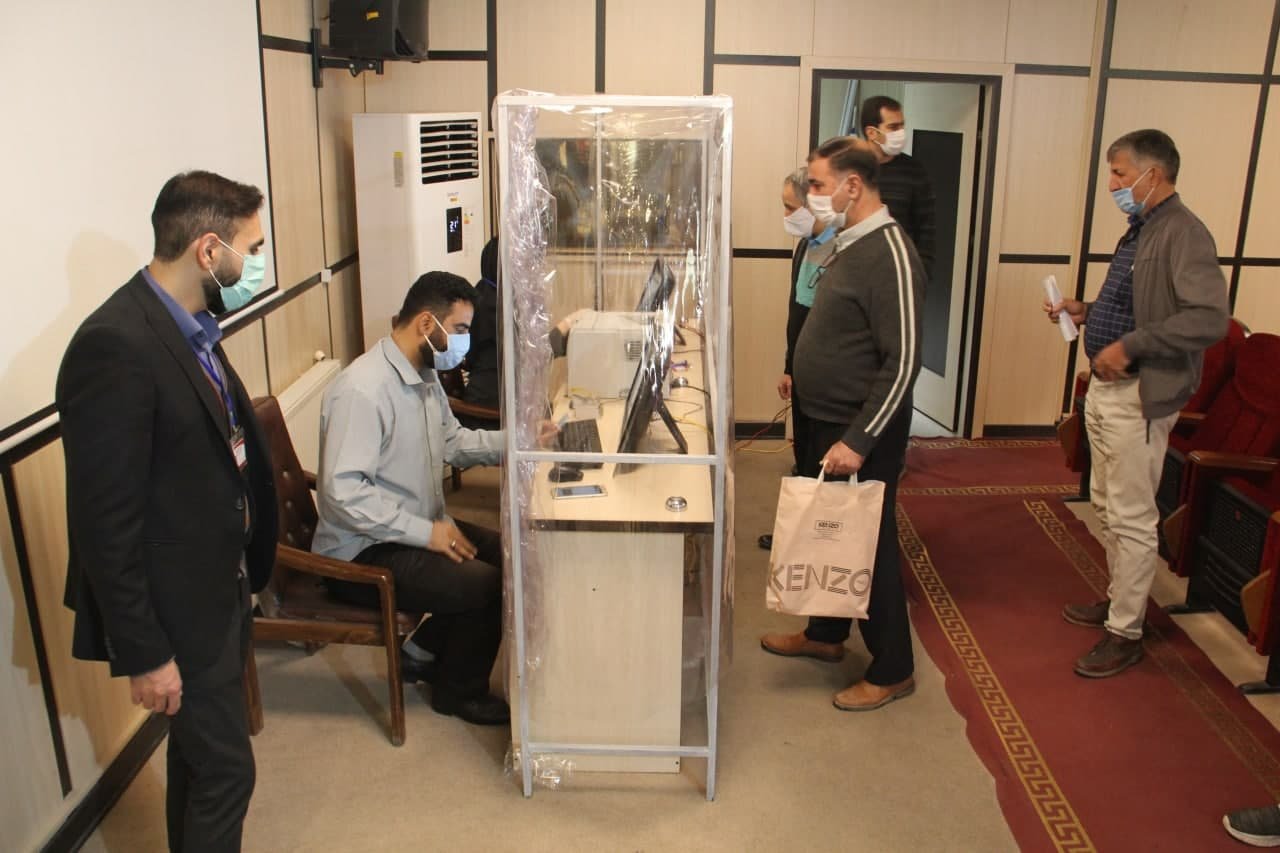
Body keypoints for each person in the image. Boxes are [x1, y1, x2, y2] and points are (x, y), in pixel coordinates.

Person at [57, 171, 278, 853]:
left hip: (217, 591)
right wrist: (146, 653)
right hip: (175, 614)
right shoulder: (115, 345)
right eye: (252, 248)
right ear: (209, 250)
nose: (258, 264)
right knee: (228, 773)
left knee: (198, 762)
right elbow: (105, 524)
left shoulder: (193, 327)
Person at [1047, 129, 1229, 678]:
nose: (1113, 185)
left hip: (1142, 393)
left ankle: (1125, 631)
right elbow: (1137, 304)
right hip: (1109, 389)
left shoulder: (1184, 232)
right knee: (1106, 504)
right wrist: (1087, 311)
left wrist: (1131, 346)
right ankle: (1119, 601)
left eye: (1120, 174)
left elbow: (1208, 319)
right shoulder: (1142, 228)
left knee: (1131, 517)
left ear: (1154, 173)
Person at [760, 137, 924, 711]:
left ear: (853, 185)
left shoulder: (891, 251)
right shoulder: (847, 242)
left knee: (868, 545)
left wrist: (859, 439)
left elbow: (904, 359)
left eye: (818, 185)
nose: (810, 195)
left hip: (858, 429)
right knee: (826, 533)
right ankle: (826, 635)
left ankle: (894, 668)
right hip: (822, 416)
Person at [312, 271, 510, 725]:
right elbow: (344, 494)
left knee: (509, 556)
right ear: (426, 323)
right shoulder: (362, 390)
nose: (464, 343)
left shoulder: (423, 374)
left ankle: (421, 651)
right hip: (362, 551)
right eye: (460, 329)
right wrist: (425, 533)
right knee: (483, 583)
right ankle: (458, 692)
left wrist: (518, 442)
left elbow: (453, 441)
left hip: (411, 526)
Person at [758, 166, 839, 552]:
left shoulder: (842, 249)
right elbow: (798, 313)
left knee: (821, 461)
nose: (786, 215)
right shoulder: (806, 246)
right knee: (803, 453)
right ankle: (798, 536)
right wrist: (789, 367)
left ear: (814, 204)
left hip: (829, 380)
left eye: (791, 207)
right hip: (803, 371)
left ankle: (815, 540)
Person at [856, 95, 936, 283]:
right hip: (856, 272)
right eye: (893, 127)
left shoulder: (915, 170)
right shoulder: (851, 168)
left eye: (902, 126)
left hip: (900, 274)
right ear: (871, 132)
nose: (901, 133)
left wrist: (921, 274)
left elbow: (927, 229)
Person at [459, 236, 501, 418]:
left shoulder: (480, 292)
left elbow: (470, 356)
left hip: (485, 392)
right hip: (489, 408)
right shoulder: (498, 308)